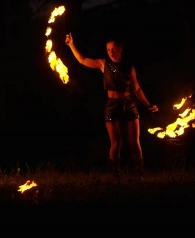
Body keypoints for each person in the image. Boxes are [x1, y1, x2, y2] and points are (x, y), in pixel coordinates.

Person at [65, 33, 158, 175]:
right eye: (108, 50)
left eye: (114, 49)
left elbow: (137, 88)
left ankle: (139, 170)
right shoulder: (103, 64)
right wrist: (72, 44)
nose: (111, 52)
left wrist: (148, 105)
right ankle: (114, 172)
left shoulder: (129, 68)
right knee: (116, 143)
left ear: (120, 49)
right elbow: (82, 60)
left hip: (129, 104)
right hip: (112, 105)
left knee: (134, 142)